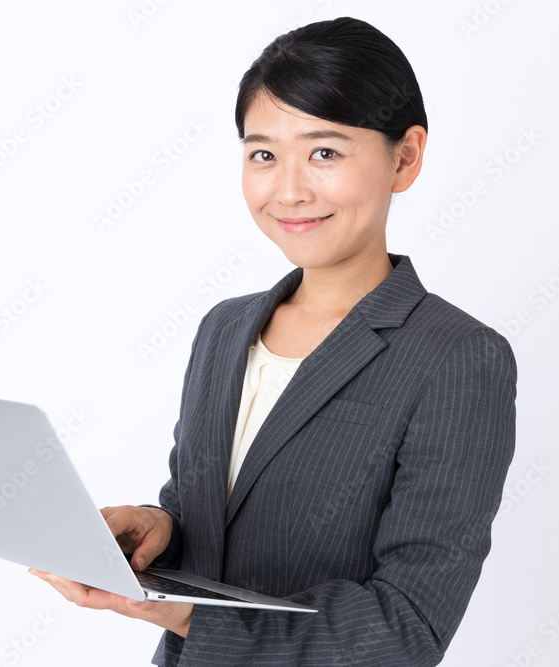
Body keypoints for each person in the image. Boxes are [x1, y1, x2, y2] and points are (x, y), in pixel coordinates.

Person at [29, 16, 516, 666]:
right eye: (263, 154)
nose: (288, 189)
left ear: (406, 156)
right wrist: (160, 528)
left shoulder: (458, 357)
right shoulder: (224, 329)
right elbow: (206, 511)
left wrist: (175, 611)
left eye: (325, 152)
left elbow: (406, 627)